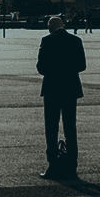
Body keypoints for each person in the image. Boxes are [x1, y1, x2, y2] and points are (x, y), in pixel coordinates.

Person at [36, 16, 86, 180]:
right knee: (70, 127)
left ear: (50, 27)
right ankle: (72, 165)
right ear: (62, 25)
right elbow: (82, 65)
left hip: (52, 88)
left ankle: (53, 166)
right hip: (71, 88)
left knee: (51, 127)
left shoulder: (47, 40)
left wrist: (54, 70)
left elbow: (41, 67)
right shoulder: (76, 40)